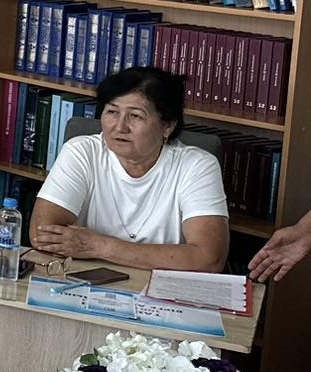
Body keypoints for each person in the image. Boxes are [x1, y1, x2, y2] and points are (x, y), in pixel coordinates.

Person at [30, 66, 229, 273]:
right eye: (112, 112)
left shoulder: (197, 166)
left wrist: (99, 246)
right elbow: (42, 236)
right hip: (82, 279)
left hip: (162, 287)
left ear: (167, 126)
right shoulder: (82, 152)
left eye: (135, 116)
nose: (120, 127)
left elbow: (209, 259)